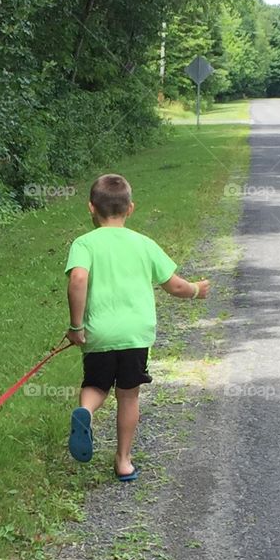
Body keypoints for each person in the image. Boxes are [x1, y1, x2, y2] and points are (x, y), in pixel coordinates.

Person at [64, 172, 209, 481]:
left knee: (95, 384)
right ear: (130, 208)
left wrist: (76, 326)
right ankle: (124, 461)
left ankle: (86, 414)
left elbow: (77, 279)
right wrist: (197, 289)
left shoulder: (84, 243)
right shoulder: (144, 244)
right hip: (135, 333)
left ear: (91, 208)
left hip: (99, 332)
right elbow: (175, 286)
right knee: (128, 395)